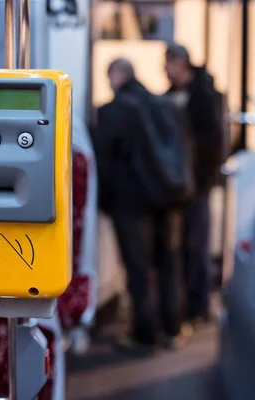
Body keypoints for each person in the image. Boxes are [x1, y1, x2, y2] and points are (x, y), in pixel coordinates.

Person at [94, 58, 182, 350]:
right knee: (167, 263)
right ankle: (172, 328)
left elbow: (104, 164)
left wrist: (104, 202)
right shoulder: (162, 104)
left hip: (129, 203)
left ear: (117, 76)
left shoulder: (112, 112)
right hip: (165, 198)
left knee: (137, 269)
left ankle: (144, 333)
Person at [164, 43, 224, 328]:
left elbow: (212, 141)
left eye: (168, 64)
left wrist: (200, 177)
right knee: (185, 247)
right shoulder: (174, 95)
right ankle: (190, 305)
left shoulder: (203, 95)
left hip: (197, 183)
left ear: (180, 64)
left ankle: (199, 305)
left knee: (197, 245)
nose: (164, 70)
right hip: (183, 184)